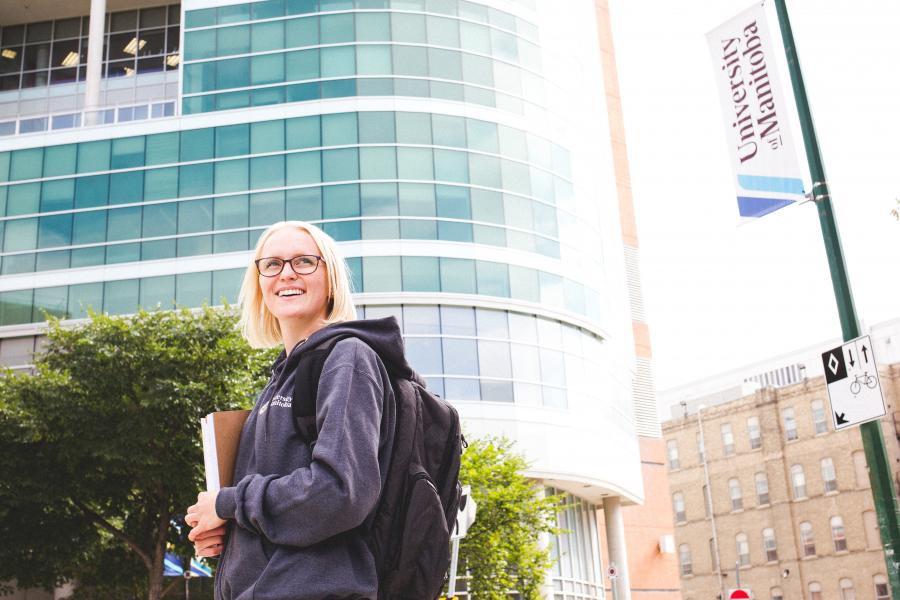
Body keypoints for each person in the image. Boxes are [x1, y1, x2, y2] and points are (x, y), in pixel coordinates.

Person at [185, 220, 406, 600]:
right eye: (271, 264)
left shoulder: (347, 358)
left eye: (304, 261)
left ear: (331, 278)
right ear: (259, 283)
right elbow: (275, 510)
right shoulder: (279, 380)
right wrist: (225, 527)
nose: (286, 273)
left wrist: (228, 502)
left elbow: (340, 493)